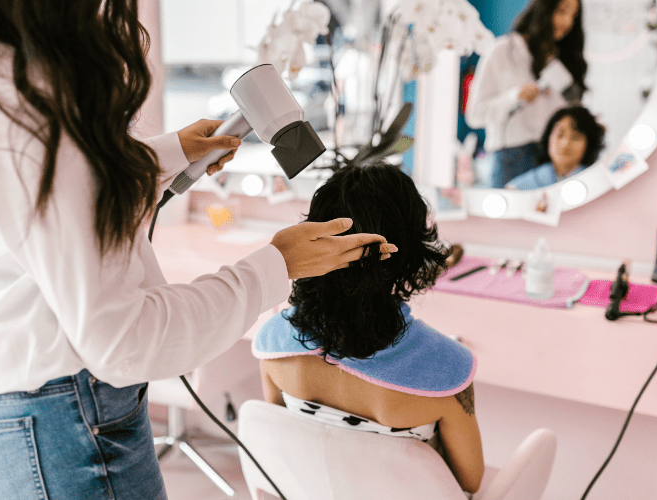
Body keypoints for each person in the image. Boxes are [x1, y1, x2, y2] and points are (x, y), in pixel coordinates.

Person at [0, 2, 396, 498]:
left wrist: (159, 156)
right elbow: (124, 341)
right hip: (60, 423)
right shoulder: (41, 124)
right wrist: (277, 266)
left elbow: (36, 209)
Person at [253, 163, 484, 495]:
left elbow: (283, 444)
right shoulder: (448, 371)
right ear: (407, 253)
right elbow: (469, 482)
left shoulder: (274, 343)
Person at [465, 0, 587, 188]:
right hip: (510, 158)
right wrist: (514, 98)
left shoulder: (561, 59)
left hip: (551, 160)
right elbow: (474, 115)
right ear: (543, 8)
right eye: (562, 11)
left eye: (573, 15)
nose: (567, 22)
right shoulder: (502, 51)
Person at [506, 105, 605, 190]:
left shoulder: (599, 185)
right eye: (560, 135)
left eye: (575, 137)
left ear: (589, 143)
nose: (565, 144)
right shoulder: (517, 189)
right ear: (548, 137)